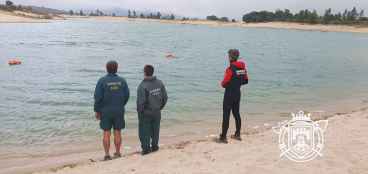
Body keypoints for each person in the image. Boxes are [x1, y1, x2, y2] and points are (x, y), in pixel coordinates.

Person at [94, 60, 130, 160]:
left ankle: (106, 155)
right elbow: (127, 95)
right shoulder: (122, 81)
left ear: (106, 68)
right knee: (117, 131)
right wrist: (121, 104)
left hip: (105, 110)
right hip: (118, 110)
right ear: (116, 68)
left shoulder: (102, 81)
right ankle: (118, 153)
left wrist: (97, 110)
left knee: (106, 132)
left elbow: (97, 97)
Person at [219, 49, 249, 143]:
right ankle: (237, 134)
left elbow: (224, 83)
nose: (228, 58)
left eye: (228, 56)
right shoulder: (242, 68)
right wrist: (237, 84)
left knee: (226, 115)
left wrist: (226, 84)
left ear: (230, 57)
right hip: (237, 93)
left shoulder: (230, 69)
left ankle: (223, 137)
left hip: (229, 94)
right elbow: (246, 80)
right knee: (236, 113)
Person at [137, 65, 168, 155]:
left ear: (144, 72)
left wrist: (140, 112)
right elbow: (165, 97)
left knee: (144, 130)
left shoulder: (142, 86)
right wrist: (159, 107)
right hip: (157, 111)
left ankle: (146, 149)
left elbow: (140, 102)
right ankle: (154, 146)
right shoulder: (159, 83)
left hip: (146, 112)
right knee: (155, 129)